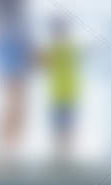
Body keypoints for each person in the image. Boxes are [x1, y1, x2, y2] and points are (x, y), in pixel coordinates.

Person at [0, 0, 33, 163]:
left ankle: (6, 152)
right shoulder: (5, 16)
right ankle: (4, 153)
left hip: (11, 42)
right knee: (14, 102)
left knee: (15, 103)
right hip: (10, 43)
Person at [42, 15, 79, 165]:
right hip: (59, 96)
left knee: (65, 129)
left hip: (67, 96)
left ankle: (64, 158)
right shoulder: (56, 49)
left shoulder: (66, 49)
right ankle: (61, 158)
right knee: (60, 129)